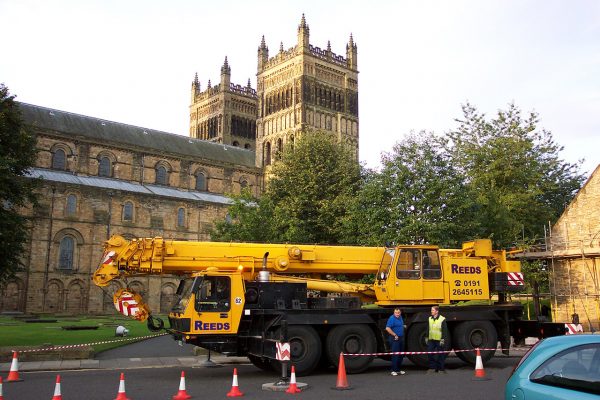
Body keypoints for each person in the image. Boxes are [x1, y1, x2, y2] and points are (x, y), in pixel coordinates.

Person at [425, 305, 449, 373]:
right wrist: (426, 337)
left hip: (439, 340)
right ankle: (432, 367)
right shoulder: (430, 318)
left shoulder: (442, 319)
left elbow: (444, 330)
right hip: (431, 339)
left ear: (437, 311)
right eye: (431, 310)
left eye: (432, 310)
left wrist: (443, 339)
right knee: (430, 353)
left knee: (440, 354)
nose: (431, 311)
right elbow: (428, 328)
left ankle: (441, 369)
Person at [385, 307, 405, 376]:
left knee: (401, 355)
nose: (397, 314)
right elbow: (387, 328)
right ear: (394, 313)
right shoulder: (392, 318)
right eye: (396, 313)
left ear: (400, 313)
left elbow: (399, 325)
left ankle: (398, 370)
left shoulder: (400, 317)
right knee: (395, 355)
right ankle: (393, 370)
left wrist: (403, 326)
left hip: (401, 338)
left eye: (398, 312)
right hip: (394, 338)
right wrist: (394, 334)